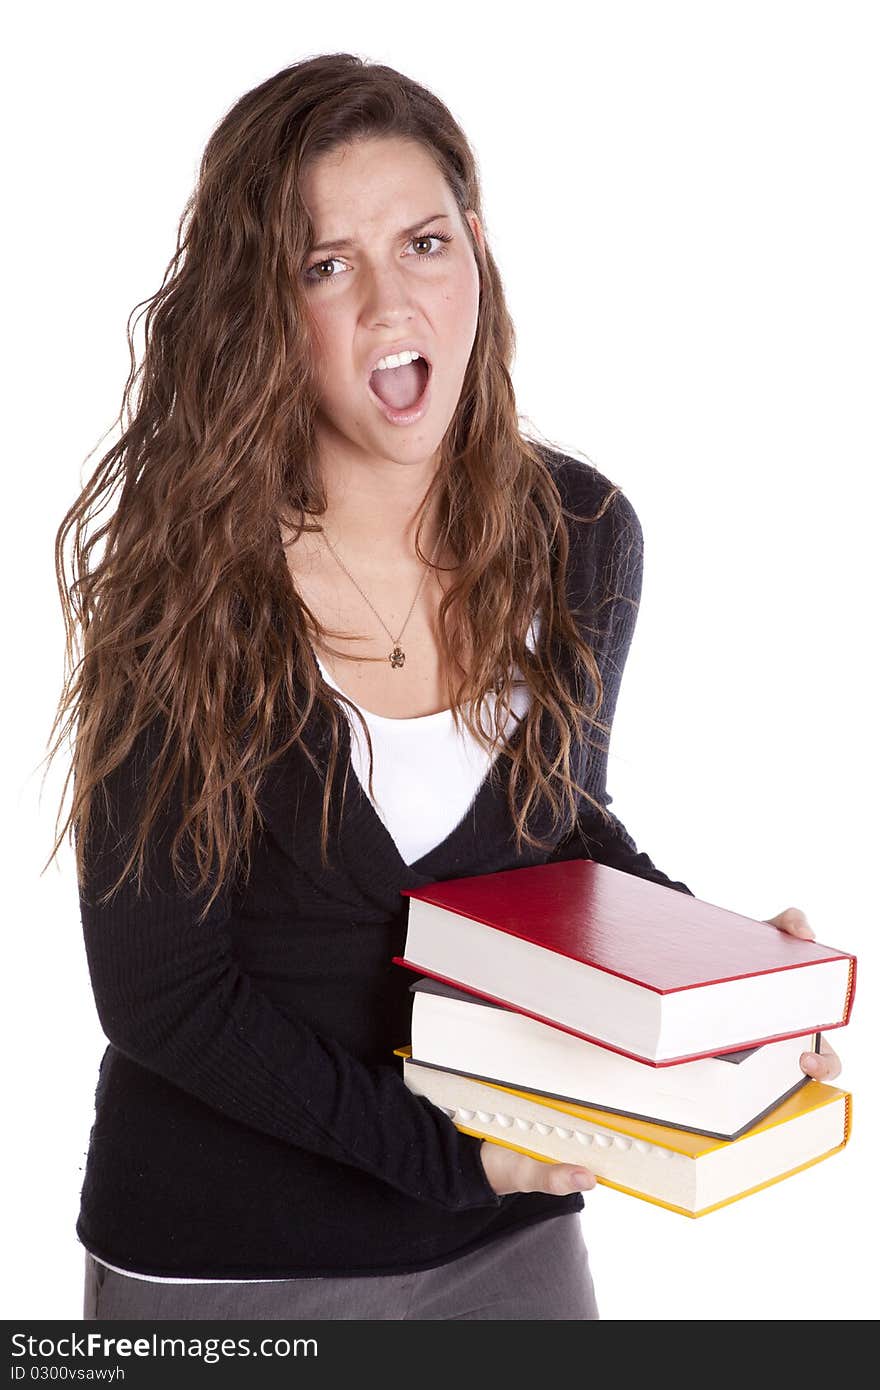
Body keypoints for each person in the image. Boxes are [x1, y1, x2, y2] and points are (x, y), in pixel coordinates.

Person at [49, 53, 841, 1322]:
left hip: (508, 1229)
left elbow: (554, 838)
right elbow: (162, 993)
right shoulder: (188, 575)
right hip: (232, 1258)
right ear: (267, 307)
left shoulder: (582, 533)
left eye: (422, 242)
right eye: (326, 264)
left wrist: (721, 980)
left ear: (476, 249)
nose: (387, 301)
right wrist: (449, 1152)